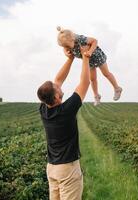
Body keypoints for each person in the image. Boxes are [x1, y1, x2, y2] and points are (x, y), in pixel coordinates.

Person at [37, 45, 91, 200]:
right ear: (56, 98)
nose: (58, 85)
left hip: (52, 168)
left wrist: (70, 58)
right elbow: (85, 83)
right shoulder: (66, 110)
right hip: (67, 169)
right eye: (56, 88)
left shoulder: (44, 109)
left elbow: (58, 80)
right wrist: (85, 59)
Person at [56, 26, 122, 106]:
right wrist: (65, 52)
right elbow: (65, 48)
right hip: (88, 60)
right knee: (92, 79)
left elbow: (94, 41)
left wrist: (90, 51)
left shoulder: (80, 39)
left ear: (72, 40)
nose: (66, 48)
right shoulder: (67, 42)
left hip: (97, 56)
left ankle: (117, 88)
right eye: (64, 47)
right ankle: (96, 96)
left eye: (67, 46)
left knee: (106, 73)